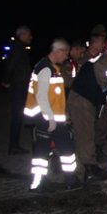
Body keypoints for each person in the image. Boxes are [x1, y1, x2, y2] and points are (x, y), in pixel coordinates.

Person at [23, 38, 81, 193]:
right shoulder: (46, 69)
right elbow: (41, 96)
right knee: (66, 150)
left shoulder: (49, 67)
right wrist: (50, 118)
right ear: (59, 51)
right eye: (66, 53)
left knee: (42, 153)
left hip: (49, 119)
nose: (67, 57)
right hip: (49, 120)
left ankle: (38, 184)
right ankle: (70, 181)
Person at [67, 34, 107, 182]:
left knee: (85, 133)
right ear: (95, 43)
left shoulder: (97, 59)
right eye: (102, 42)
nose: (104, 45)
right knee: (85, 133)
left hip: (86, 99)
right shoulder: (89, 60)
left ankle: (84, 168)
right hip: (81, 98)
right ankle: (89, 167)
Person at [2, 25, 33, 155]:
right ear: (22, 35)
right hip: (17, 87)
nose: (31, 37)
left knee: (19, 116)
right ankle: (13, 146)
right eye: (28, 35)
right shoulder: (17, 49)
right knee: (17, 117)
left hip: (20, 86)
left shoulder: (20, 48)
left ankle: (15, 144)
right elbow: (10, 66)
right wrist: (7, 81)